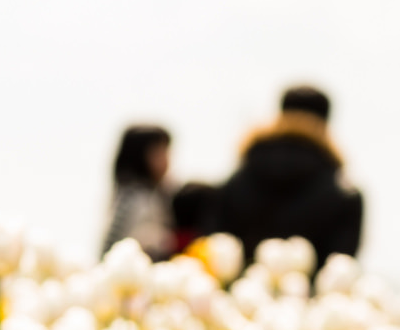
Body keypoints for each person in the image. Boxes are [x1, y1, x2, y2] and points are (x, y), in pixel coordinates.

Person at [208, 86, 363, 270]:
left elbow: (216, 245)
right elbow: (340, 267)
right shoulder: (344, 195)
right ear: (326, 123)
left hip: (234, 294)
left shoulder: (236, 181)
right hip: (311, 297)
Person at [103, 124, 174, 258]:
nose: (167, 160)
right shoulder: (133, 198)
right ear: (140, 156)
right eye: (160, 152)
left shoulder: (155, 194)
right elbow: (112, 246)